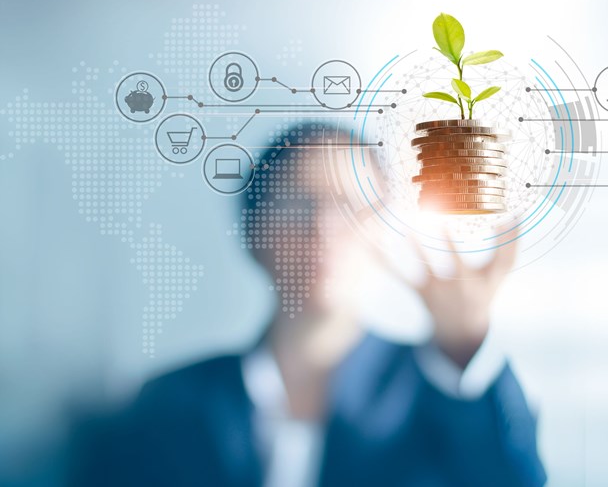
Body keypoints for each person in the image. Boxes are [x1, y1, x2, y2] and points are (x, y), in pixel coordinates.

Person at [67, 122, 547, 487]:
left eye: (352, 208)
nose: (323, 229)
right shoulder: (169, 404)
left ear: (385, 233)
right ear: (254, 232)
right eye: (298, 205)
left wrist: (462, 347)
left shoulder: (444, 394)